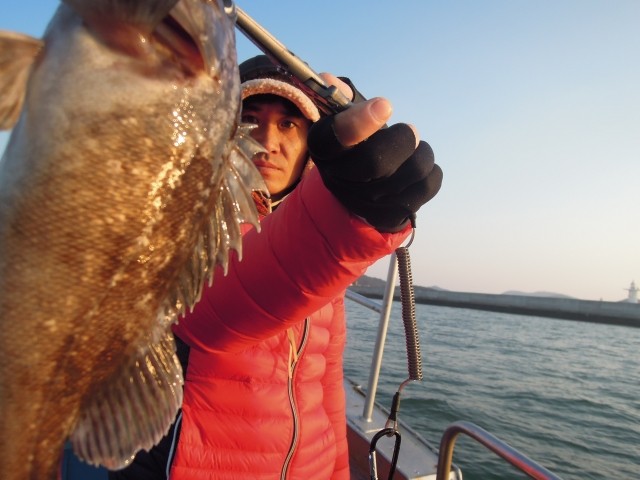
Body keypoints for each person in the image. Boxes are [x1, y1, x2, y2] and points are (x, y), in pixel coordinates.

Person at [108, 55, 442, 480]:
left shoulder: (320, 256)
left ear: (311, 143)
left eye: (288, 124)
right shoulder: (179, 218)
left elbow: (326, 387)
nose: (268, 141)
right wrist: (346, 213)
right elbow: (208, 316)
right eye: (249, 119)